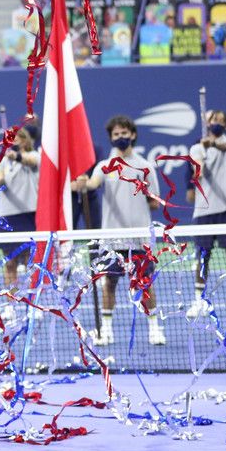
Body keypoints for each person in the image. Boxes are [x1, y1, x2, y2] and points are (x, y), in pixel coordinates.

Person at [72, 116, 166, 346]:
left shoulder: (145, 167)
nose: (121, 137)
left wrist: (143, 197)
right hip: (112, 240)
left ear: (132, 135)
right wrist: (80, 183)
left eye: (124, 133)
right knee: (109, 283)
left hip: (139, 239)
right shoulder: (105, 166)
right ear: (111, 138)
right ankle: (106, 331)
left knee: (145, 284)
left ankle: (154, 329)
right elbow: (92, 184)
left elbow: (155, 202)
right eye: (116, 134)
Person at [186, 110, 226, 317]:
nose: (216, 124)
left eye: (220, 121)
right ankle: (199, 301)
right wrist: (202, 156)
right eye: (213, 121)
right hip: (204, 211)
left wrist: (213, 144)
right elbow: (197, 173)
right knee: (203, 256)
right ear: (207, 124)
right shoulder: (196, 148)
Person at [0, 126, 39, 286]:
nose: (14, 142)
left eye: (17, 139)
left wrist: (16, 157)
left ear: (25, 140)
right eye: (12, 140)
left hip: (28, 215)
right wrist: (1, 178)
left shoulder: (34, 155)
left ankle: (31, 299)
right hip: (7, 217)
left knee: (28, 261)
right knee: (10, 263)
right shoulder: (4, 161)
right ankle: (11, 300)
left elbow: (31, 161)